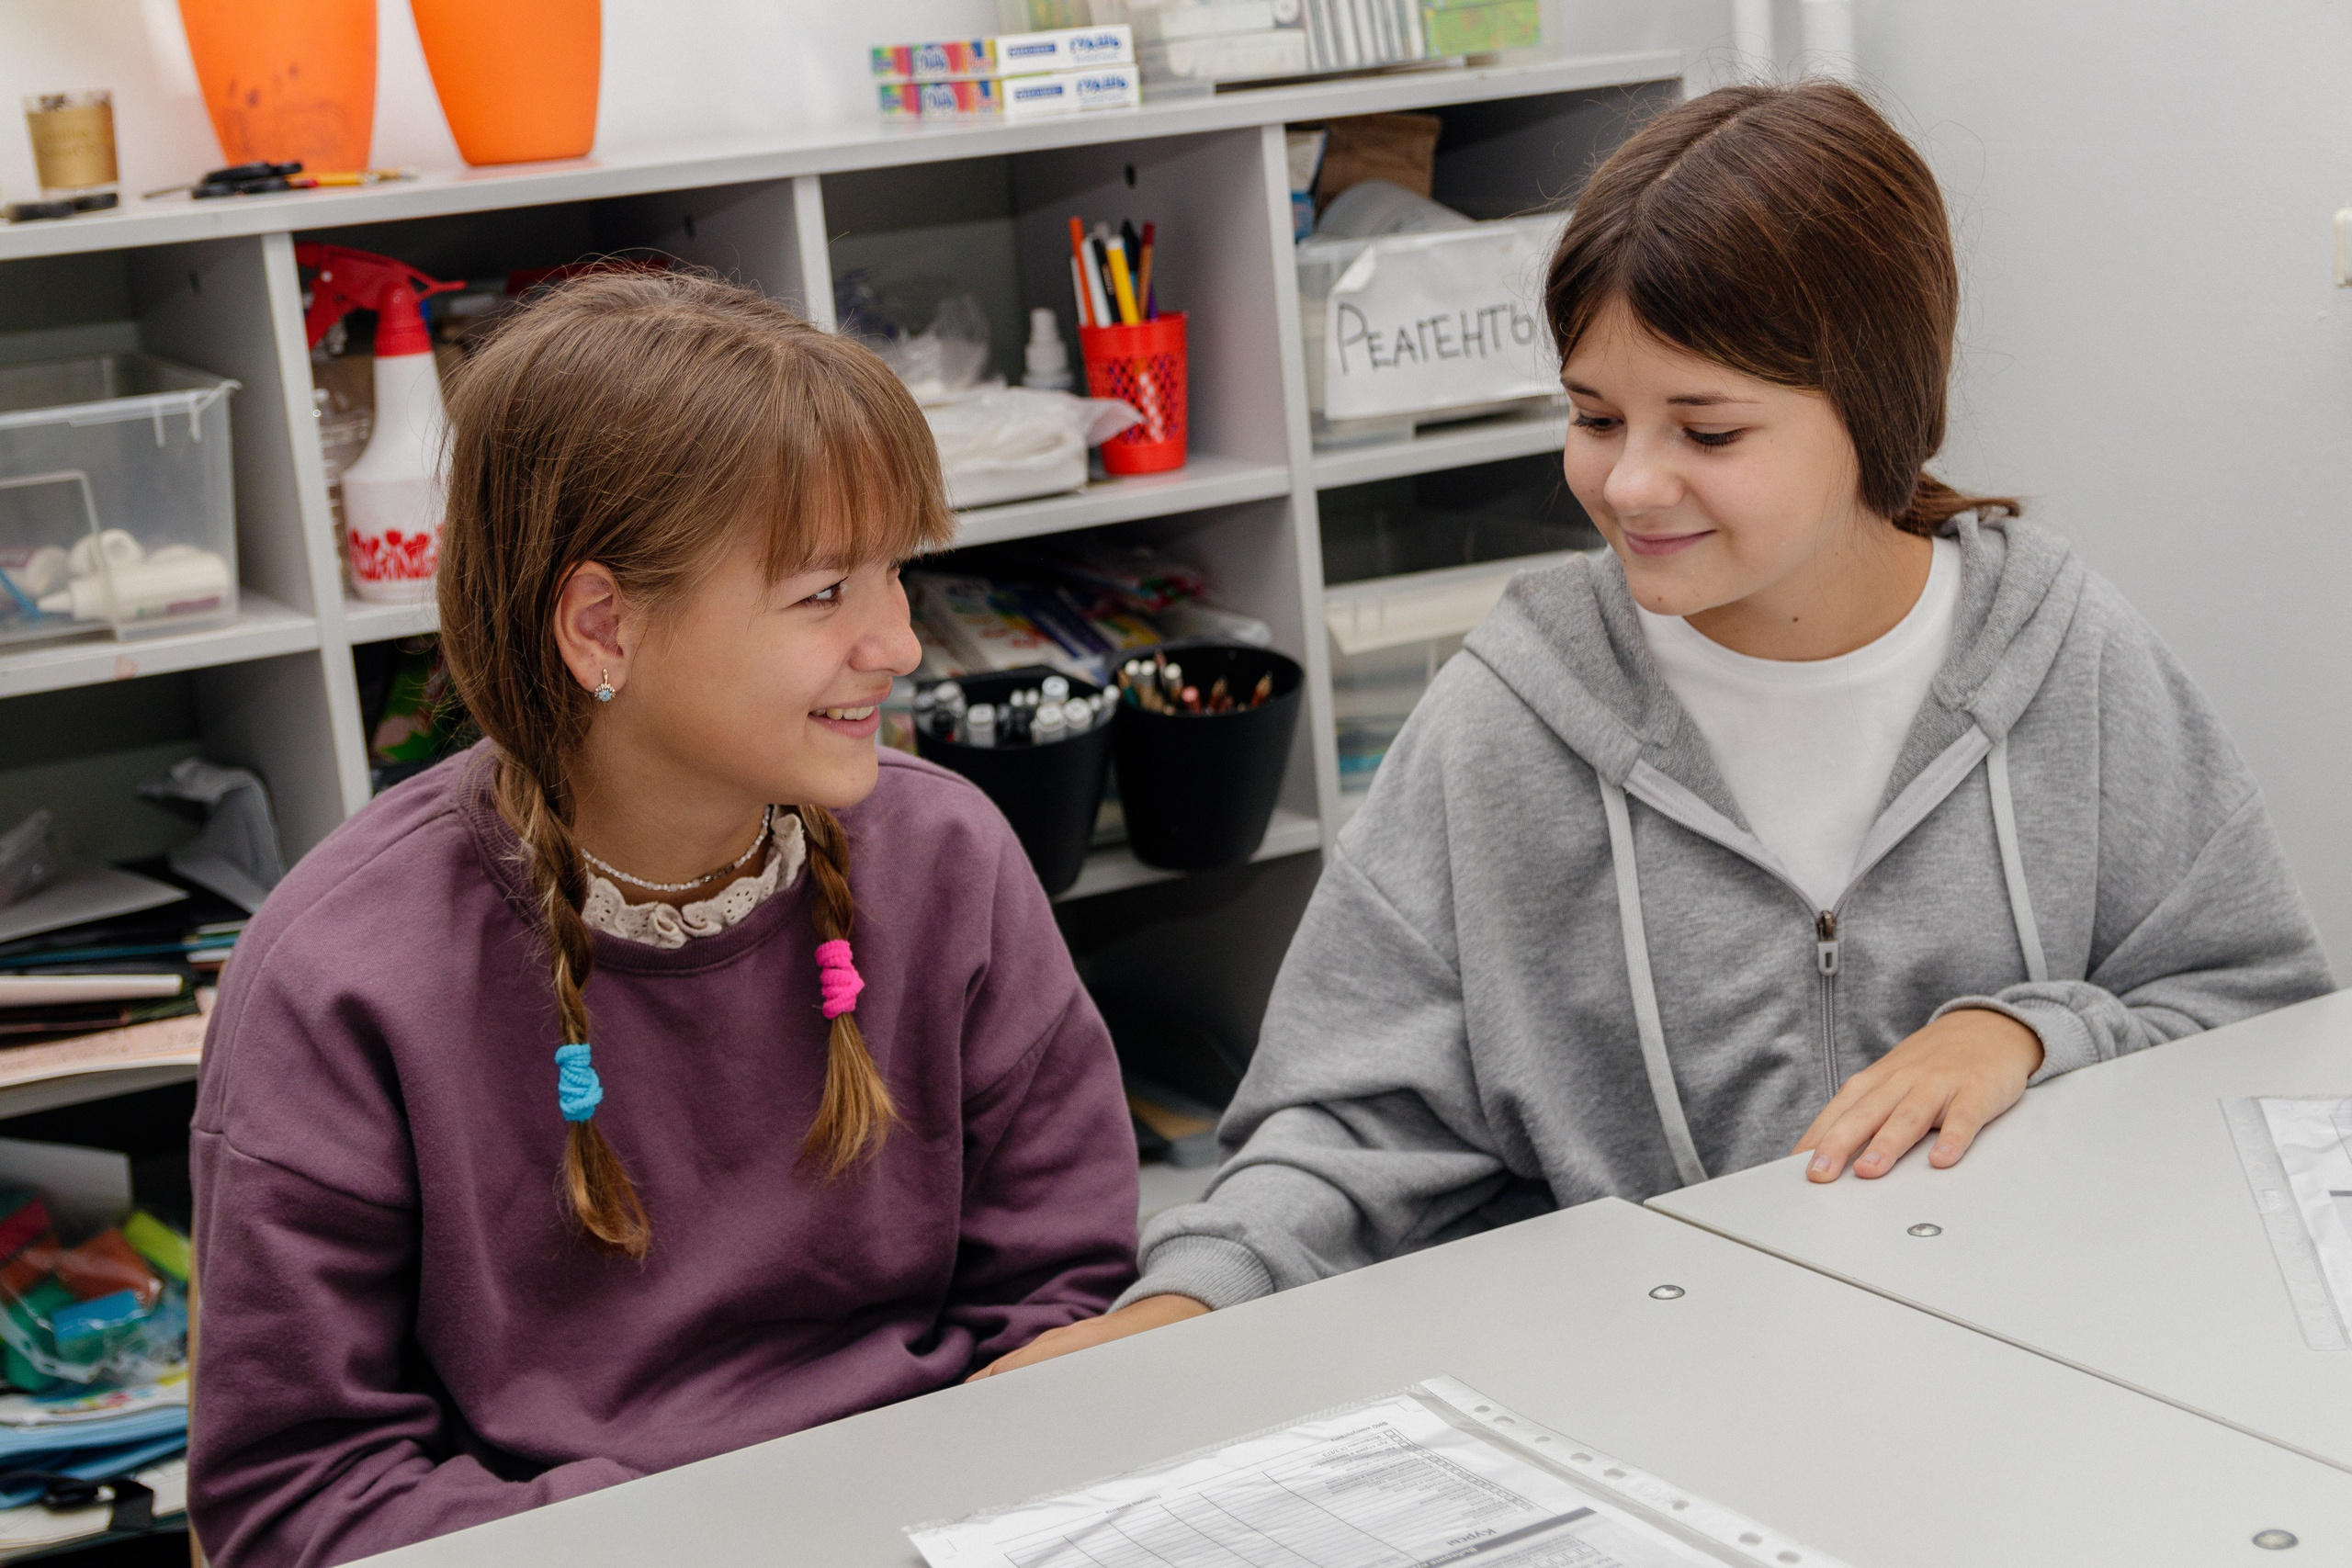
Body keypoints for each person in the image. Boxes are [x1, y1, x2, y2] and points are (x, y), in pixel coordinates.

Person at [978, 79, 2332, 1374]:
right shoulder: (1506, 715)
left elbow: (2255, 1019)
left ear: (1879, 407)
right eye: (1591, 415)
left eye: (1709, 428)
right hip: (1659, 1395)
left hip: (2049, 1371)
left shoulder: (2070, 659)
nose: (1631, 481)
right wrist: (1187, 1304)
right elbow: (1349, 1122)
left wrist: (2031, 1035)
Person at [187, 272, 1137, 1566]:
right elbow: (294, 1499)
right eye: (822, 594)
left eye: (896, 575)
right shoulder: (338, 974)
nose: (902, 644)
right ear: (600, 626)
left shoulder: (947, 854)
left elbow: (1068, 1301)